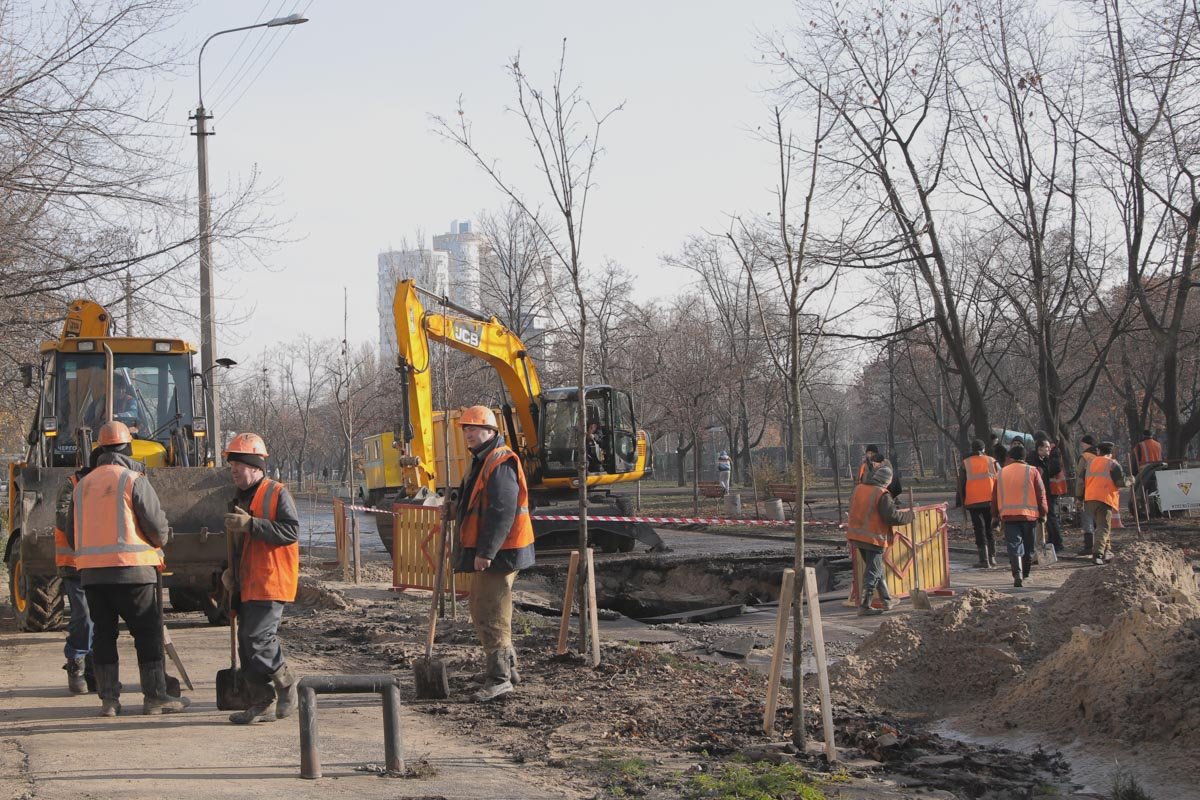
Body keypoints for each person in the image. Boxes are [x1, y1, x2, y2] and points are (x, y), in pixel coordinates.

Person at [65, 421, 187, 716]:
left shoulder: (82, 486)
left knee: (104, 636)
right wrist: (159, 541)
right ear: (127, 448)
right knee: (147, 634)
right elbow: (156, 527)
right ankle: (155, 696)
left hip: (93, 576)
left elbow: (71, 534)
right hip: (133, 572)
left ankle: (109, 701)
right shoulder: (133, 480)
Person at [451, 405, 535, 702]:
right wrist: (454, 506)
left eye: (474, 428)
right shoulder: (482, 460)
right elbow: (477, 501)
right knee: (485, 607)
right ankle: (508, 670)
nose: (468, 433)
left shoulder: (499, 462)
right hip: (498, 549)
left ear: (490, 431)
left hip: (501, 551)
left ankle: (499, 678)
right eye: (466, 428)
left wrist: (486, 551)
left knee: (490, 612)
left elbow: (501, 511)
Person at [221, 432, 302, 725]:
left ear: (255, 467)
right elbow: (239, 545)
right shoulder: (240, 497)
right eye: (232, 467)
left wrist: (252, 525)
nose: (234, 472)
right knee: (246, 643)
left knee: (258, 638)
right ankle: (260, 702)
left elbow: (290, 531)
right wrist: (229, 572)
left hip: (271, 579)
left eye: (238, 466)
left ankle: (286, 683)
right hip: (248, 582)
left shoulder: (277, 493)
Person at [847, 461, 913, 615]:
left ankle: (887, 599)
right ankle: (864, 606)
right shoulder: (882, 494)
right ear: (887, 481)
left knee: (876, 568)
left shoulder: (859, 488)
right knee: (873, 570)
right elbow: (892, 517)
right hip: (873, 538)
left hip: (857, 535)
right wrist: (910, 516)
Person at [54, 469, 93, 694]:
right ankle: (76, 663)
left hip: (103, 563)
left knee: (100, 619)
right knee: (84, 615)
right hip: (74, 564)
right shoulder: (72, 485)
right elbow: (63, 519)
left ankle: (96, 670)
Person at [992, 443, 1047, 588]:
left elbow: (995, 497)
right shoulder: (1033, 471)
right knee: (1028, 547)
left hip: (1009, 516)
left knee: (1014, 545)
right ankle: (1026, 574)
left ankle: (1017, 573)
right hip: (1029, 516)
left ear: (1010, 457)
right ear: (1025, 457)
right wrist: (1043, 513)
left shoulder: (1001, 473)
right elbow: (1041, 494)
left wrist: (995, 516)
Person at [1083, 441, 1128, 566]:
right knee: (1103, 527)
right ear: (1111, 452)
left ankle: (1107, 551)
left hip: (1090, 498)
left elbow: (1082, 481)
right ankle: (1097, 554)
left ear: (1098, 451)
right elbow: (1120, 482)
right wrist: (1130, 480)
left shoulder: (1090, 463)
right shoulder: (1112, 464)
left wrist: (1079, 498)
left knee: (1101, 526)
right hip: (1104, 498)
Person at [958, 439, 999, 568]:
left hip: (973, 501)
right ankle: (992, 557)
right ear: (984, 449)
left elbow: (961, 484)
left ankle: (984, 559)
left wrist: (961, 501)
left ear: (972, 449)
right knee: (989, 528)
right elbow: (1001, 478)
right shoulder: (992, 461)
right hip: (990, 500)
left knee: (979, 529)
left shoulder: (966, 463)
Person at [1031, 434, 1065, 556]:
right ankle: (1052, 540)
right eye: (1045, 447)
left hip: (1051, 489)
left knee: (1050, 516)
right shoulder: (1038, 457)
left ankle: (1057, 542)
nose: (1047, 449)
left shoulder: (1053, 453)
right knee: (1048, 516)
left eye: (1047, 446)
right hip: (1048, 489)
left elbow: (1053, 469)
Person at [1074, 435, 1099, 555]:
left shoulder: (1085, 457)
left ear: (1087, 444)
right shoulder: (1101, 456)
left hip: (1088, 492)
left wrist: (1079, 497)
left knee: (1087, 519)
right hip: (1103, 493)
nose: (1082, 446)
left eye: (1082, 443)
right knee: (1100, 521)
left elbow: (1080, 479)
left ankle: (1089, 546)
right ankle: (1101, 546)